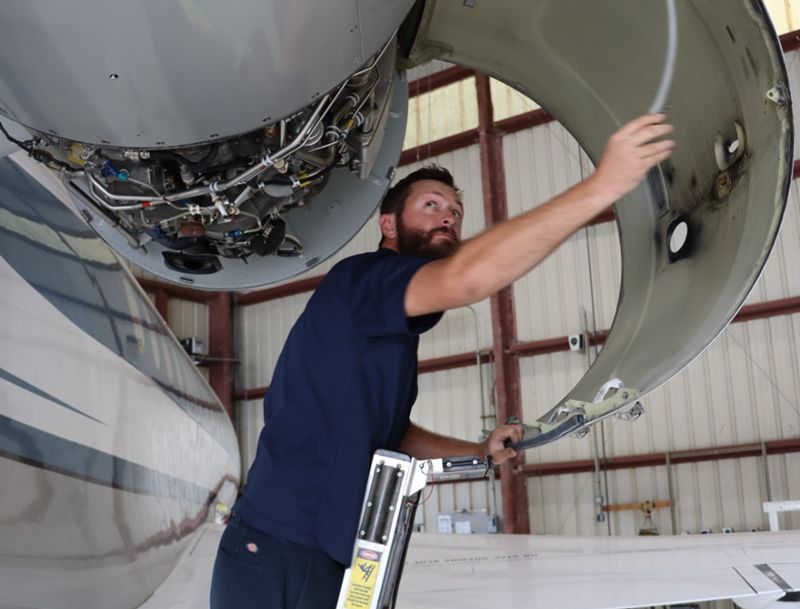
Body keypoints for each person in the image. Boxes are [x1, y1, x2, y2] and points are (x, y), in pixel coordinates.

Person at [210, 113, 674, 609]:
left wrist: (478, 452)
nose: (449, 216)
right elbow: (468, 278)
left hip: (323, 555)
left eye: (455, 210)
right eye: (431, 206)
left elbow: (390, 434)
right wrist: (603, 186)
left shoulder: (384, 327)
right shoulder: (364, 281)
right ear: (388, 224)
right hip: (277, 548)